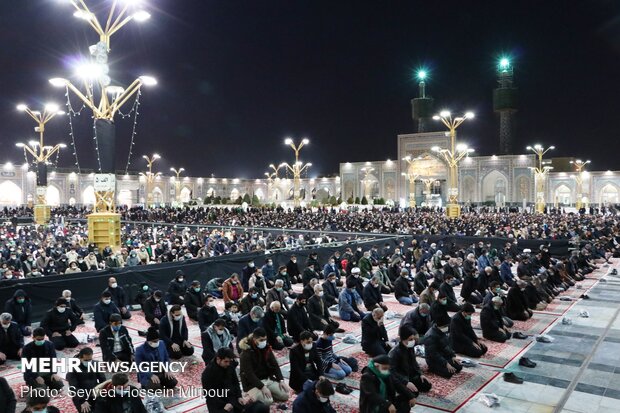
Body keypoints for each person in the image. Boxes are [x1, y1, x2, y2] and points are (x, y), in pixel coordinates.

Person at [202, 348, 269, 413]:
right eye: (225, 361)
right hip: (218, 404)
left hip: (233, 400)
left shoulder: (230, 365)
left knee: (261, 408)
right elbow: (209, 394)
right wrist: (224, 405)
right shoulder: (208, 373)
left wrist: (239, 396)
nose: (228, 364)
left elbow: (235, 383)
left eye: (229, 361)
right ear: (218, 359)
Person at [239, 327, 290, 406]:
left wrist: (281, 380)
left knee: (285, 395)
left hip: (267, 378)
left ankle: (268, 392)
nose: (264, 342)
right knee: (268, 401)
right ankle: (254, 395)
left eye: (265, 339)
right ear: (254, 339)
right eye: (261, 340)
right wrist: (262, 387)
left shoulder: (266, 347)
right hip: (252, 384)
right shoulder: (246, 353)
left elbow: (274, 364)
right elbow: (249, 374)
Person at [388, 326, 432, 399]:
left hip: (409, 375)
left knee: (427, 385)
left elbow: (414, 362)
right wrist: (405, 382)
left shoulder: (410, 347)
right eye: (410, 339)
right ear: (402, 339)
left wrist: (420, 374)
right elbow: (391, 372)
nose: (413, 341)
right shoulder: (394, 353)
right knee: (413, 394)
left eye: (413, 339)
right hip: (399, 379)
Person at [66, 347, 106, 413]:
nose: (89, 362)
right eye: (86, 360)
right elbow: (73, 387)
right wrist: (82, 401)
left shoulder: (96, 364)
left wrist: (100, 391)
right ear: (80, 358)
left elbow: (103, 380)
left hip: (94, 392)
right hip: (81, 396)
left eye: (90, 359)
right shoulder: (73, 368)